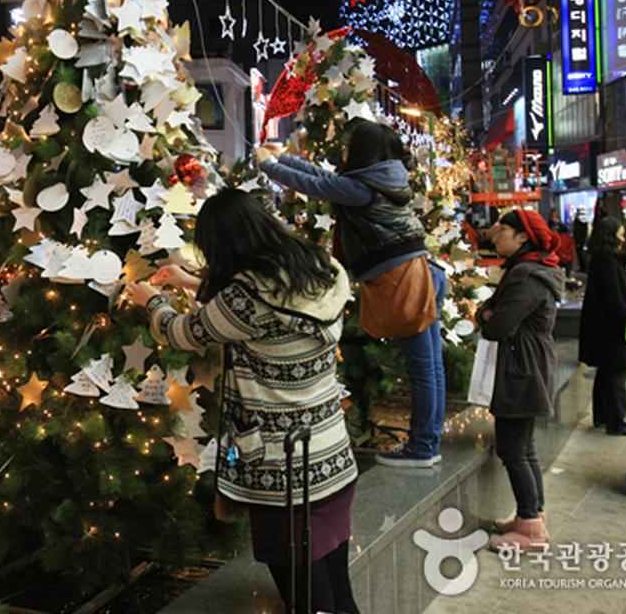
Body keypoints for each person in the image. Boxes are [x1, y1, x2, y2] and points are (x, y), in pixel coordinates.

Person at [125, 189, 359, 613]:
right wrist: (189, 280)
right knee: (337, 586)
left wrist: (152, 301)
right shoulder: (316, 266)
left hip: (283, 469)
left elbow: (184, 332)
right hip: (330, 453)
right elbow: (257, 309)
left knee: (305, 596)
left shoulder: (246, 296)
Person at [256, 122, 446, 468]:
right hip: (421, 272)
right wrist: (284, 158)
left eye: (350, 146)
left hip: (405, 279)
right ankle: (428, 442)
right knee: (430, 367)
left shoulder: (361, 188)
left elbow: (317, 185)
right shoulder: (382, 177)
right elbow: (326, 178)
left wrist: (269, 165)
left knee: (423, 369)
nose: (345, 151)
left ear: (362, 150)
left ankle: (423, 447)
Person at [477, 209, 565, 552]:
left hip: (522, 366)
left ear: (523, 236)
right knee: (524, 447)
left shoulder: (526, 275)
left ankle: (531, 530)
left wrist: (487, 315)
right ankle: (532, 516)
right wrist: (488, 312)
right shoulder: (529, 269)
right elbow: (493, 311)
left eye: (502, 230)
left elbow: (499, 326)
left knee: (513, 448)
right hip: (529, 361)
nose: (495, 235)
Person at [579, 217, 626, 436]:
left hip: (601, 327)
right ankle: (616, 422)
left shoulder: (601, 259)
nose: (623, 238)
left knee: (605, 372)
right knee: (616, 374)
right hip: (611, 329)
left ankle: (602, 416)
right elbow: (615, 299)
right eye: (621, 233)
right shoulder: (608, 262)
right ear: (611, 236)